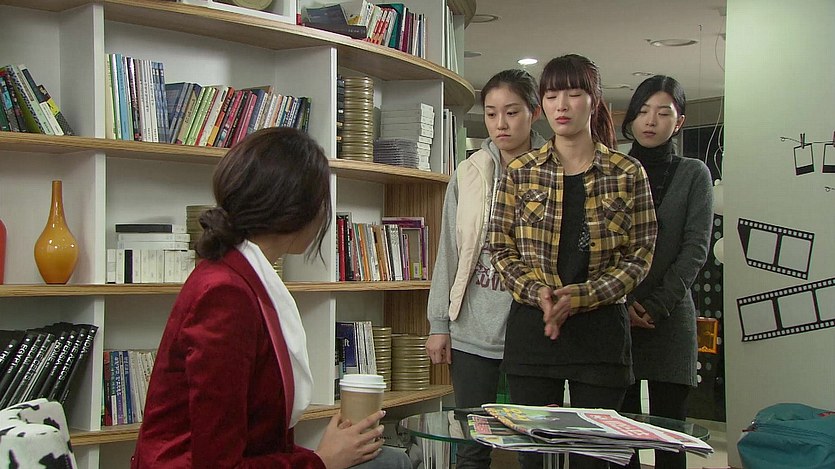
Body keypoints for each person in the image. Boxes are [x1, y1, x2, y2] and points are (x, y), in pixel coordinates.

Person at [131, 127, 410, 469]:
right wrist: (320, 461)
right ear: (298, 210)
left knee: (389, 460)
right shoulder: (226, 294)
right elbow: (219, 464)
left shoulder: (240, 275)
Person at [487, 54, 658, 469]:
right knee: (532, 458)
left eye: (574, 94)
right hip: (534, 328)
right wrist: (539, 293)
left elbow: (640, 254)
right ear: (542, 104)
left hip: (600, 334)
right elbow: (500, 247)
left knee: (595, 459)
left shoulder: (626, 171)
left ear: (594, 100)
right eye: (551, 96)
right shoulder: (521, 171)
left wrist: (580, 297)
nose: (561, 105)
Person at [425, 69, 545, 469]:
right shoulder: (469, 172)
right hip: (472, 326)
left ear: (534, 113)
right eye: (492, 114)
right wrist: (439, 323)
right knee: (472, 446)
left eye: (511, 112)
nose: (501, 124)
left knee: (534, 446)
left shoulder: (554, 169)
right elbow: (449, 250)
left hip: (531, 327)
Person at [619, 75, 713, 469]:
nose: (651, 121)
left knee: (670, 440)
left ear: (679, 122)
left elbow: (695, 248)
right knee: (618, 440)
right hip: (617, 315)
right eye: (643, 111)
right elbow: (600, 245)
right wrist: (624, 301)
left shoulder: (694, 173)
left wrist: (656, 306)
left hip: (670, 319)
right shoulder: (613, 168)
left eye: (663, 113)